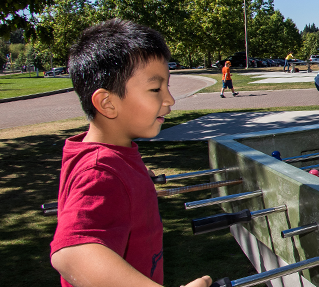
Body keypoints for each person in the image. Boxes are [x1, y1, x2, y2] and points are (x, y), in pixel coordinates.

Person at [51, 20, 212, 287]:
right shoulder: (100, 171)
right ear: (107, 103)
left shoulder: (110, 157)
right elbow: (72, 253)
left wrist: (135, 181)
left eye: (167, 86)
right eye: (155, 89)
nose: (170, 99)